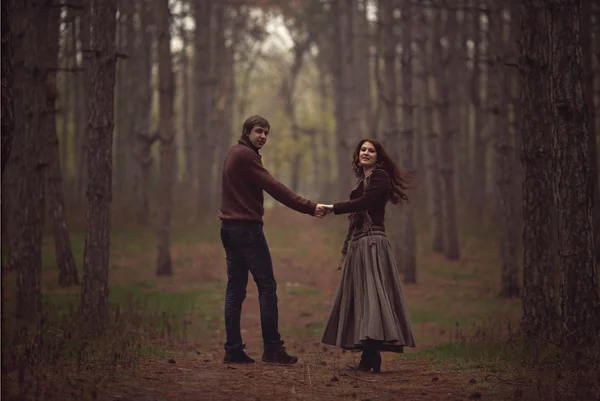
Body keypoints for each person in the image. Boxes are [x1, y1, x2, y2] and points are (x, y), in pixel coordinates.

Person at [219, 115, 328, 365]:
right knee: (266, 286)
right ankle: (272, 349)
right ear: (246, 132)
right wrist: (310, 207)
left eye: (267, 133)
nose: (263, 137)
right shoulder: (246, 156)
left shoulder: (235, 153)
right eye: (259, 131)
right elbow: (274, 187)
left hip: (228, 227)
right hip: (247, 229)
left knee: (235, 290)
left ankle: (233, 349)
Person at [320, 138, 416, 373]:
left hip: (372, 244)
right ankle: (369, 358)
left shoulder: (379, 176)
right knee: (364, 299)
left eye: (370, 150)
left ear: (378, 156)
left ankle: (370, 359)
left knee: (372, 298)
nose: (365, 153)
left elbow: (365, 202)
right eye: (362, 149)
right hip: (360, 244)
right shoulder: (366, 179)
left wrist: (333, 208)